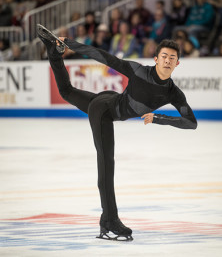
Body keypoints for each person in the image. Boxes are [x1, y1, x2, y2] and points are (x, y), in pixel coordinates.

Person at [37, 24, 197, 241]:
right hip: (104, 110)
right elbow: (105, 57)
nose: (168, 60)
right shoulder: (139, 70)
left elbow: (191, 122)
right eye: (164, 56)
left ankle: (52, 52)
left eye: (172, 58)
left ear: (177, 64)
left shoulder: (173, 93)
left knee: (67, 91)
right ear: (156, 59)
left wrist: (159, 118)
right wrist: (70, 44)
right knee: (106, 164)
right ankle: (110, 220)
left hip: (108, 101)